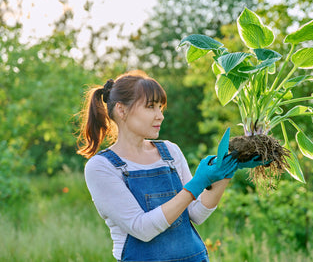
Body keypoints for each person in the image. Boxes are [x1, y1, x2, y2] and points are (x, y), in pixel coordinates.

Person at [77, 70, 243, 262]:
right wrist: (197, 184)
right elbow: (142, 229)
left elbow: (196, 214)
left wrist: (224, 174)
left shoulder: (170, 152)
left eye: (160, 108)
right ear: (122, 110)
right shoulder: (102, 167)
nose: (160, 116)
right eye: (150, 107)